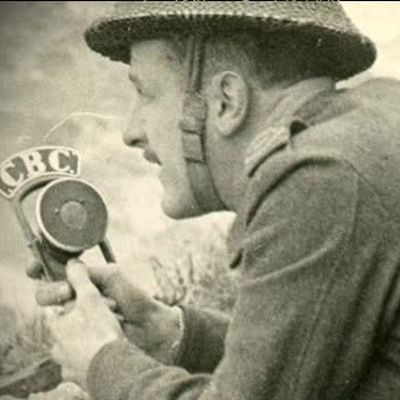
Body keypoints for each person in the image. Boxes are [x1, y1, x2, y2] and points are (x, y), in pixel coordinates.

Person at [29, 1, 400, 399]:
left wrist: (102, 362)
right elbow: (306, 359)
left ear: (226, 100)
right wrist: (171, 333)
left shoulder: (318, 177)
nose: (131, 131)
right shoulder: (366, 128)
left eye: (146, 94)